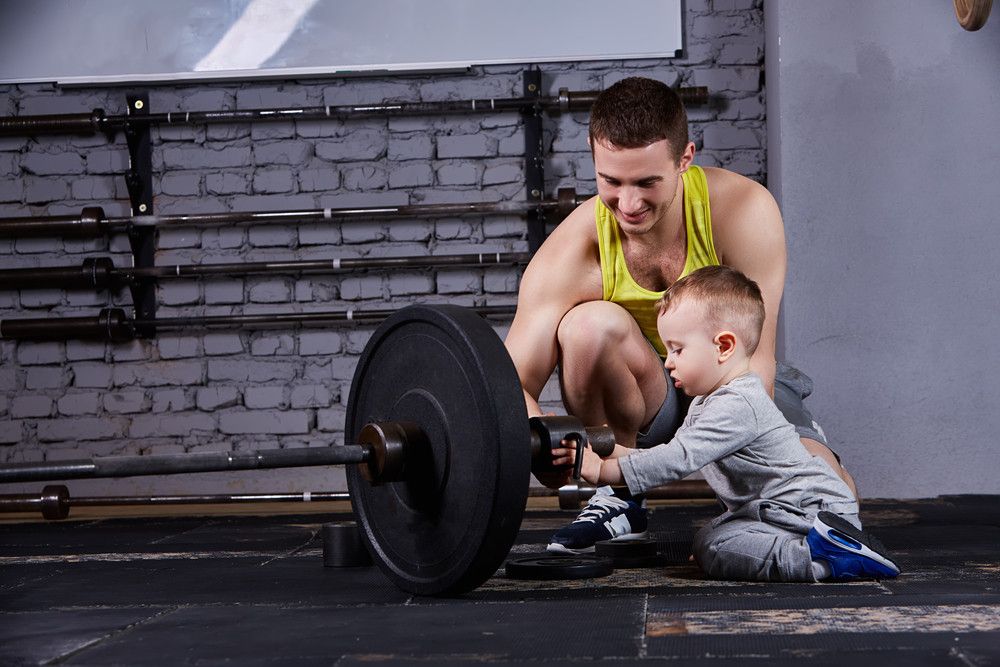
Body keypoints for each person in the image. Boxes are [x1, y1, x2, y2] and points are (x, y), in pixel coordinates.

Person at [503, 76, 857, 552]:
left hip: (740, 386)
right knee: (587, 328)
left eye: (647, 182)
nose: (628, 204)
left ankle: (759, 510)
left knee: (833, 502)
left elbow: (757, 366)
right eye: (611, 181)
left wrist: (741, 476)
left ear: (685, 159)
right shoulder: (573, 250)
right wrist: (541, 437)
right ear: (593, 157)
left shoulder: (743, 211)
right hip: (647, 397)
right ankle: (618, 498)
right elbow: (509, 384)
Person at [566, 266, 899, 581]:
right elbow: (671, 451)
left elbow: (677, 460)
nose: (667, 363)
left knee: (713, 547)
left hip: (808, 512)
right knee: (709, 538)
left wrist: (602, 472)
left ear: (723, 346)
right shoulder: (707, 401)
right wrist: (601, 452)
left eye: (677, 350)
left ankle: (822, 559)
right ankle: (783, 549)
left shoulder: (738, 404)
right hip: (776, 511)